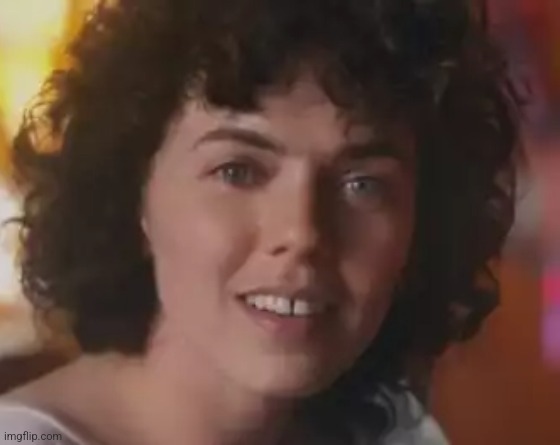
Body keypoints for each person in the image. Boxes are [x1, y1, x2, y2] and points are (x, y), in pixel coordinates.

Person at [0, 0, 520, 443]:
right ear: (132, 193)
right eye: (238, 171)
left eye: (363, 185)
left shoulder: (401, 433)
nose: (302, 232)